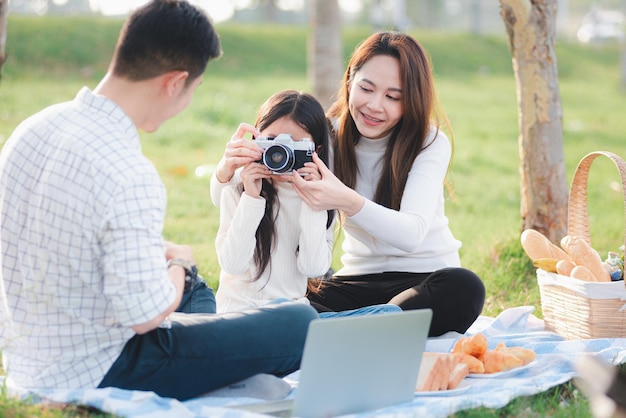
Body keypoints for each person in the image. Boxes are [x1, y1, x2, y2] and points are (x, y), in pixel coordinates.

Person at [0, 0, 318, 402]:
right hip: (105, 365)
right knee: (298, 320)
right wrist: (179, 263)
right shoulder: (128, 168)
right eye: (191, 91)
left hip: (29, 354)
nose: (185, 104)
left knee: (195, 290)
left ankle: (213, 346)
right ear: (174, 82)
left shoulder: (32, 128)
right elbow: (145, 316)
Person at [210, 31, 485, 337]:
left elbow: (411, 235)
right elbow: (221, 197)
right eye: (366, 88)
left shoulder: (429, 142)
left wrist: (342, 198)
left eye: (393, 97)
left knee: (465, 288)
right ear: (349, 81)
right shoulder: (325, 135)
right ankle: (373, 329)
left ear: (412, 101)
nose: (374, 106)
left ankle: (347, 330)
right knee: (286, 300)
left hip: (425, 278)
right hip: (354, 279)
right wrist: (227, 169)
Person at [216, 90, 401, 317]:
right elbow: (232, 265)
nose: (280, 154)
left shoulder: (323, 201)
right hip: (239, 316)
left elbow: (313, 268)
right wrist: (252, 199)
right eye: (272, 142)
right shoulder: (237, 190)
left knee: (388, 313)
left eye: (293, 146)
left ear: (315, 151)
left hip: (293, 318)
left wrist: (313, 201)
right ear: (257, 140)